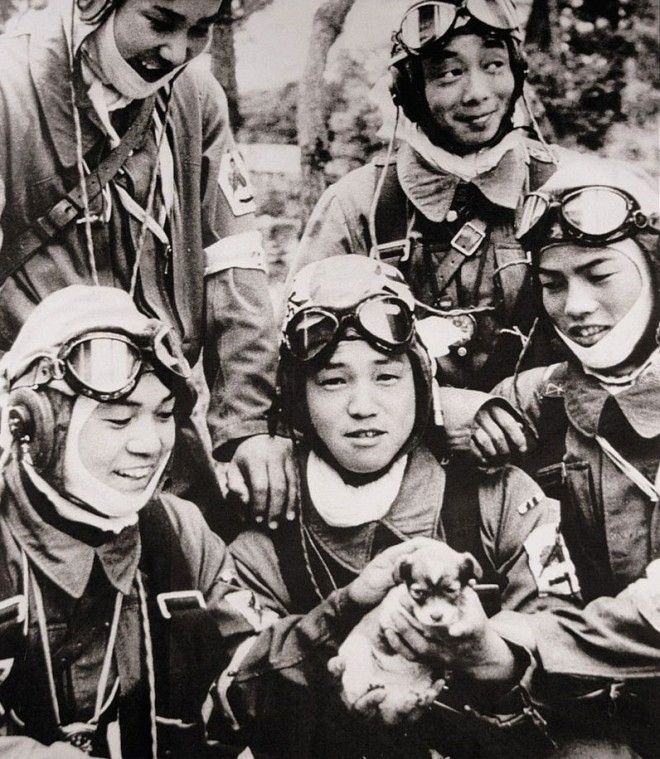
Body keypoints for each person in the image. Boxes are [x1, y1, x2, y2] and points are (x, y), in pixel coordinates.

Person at [0, 283, 439, 757]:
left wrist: (349, 611)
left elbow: (244, 677)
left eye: (163, 415)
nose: (149, 445)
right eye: (119, 420)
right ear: (37, 426)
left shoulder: (179, 532)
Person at [228, 254, 584, 758]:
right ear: (296, 396)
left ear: (421, 382)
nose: (363, 405)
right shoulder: (267, 531)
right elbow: (234, 692)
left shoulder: (500, 497)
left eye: (387, 376)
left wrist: (491, 655)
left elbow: (570, 647)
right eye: (333, 380)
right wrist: (337, 636)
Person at [0, 0, 294, 537]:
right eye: (160, 23)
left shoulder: (196, 98)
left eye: (201, 29)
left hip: (160, 433)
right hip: (34, 435)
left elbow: (234, 268)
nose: (177, 51)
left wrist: (247, 426)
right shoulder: (8, 90)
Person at [464, 158, 659, 755]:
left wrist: (522, 640)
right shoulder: (541, 397)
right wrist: (455, 412)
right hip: (596, 720)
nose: (575, 305)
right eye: (553, 283)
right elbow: (396, 428)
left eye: (600, 274)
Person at [288, 0, 574, 400]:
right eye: (449, 74)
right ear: (408, 91)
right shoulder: (357, 207)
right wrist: (435, 415)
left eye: (493, 65)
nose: (477, 93)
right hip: (399, 453)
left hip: (553, 447)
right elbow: (307, 365)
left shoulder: (569, 187)